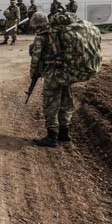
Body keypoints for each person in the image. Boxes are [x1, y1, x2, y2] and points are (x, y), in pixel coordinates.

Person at [29, 12, 73, 147]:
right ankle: (64, 133)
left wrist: (33, 73)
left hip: (52, 75)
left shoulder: (41, 37)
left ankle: (51, 137)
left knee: (51, 104)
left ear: (36, 24)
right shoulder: (62, 33)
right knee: (65, 102)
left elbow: (35, 59)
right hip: (66, 73)